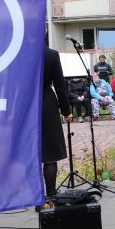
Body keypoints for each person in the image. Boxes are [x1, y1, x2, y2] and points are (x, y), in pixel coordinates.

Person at [42, 37, 73, 209]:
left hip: (25, 104)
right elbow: (60, 85)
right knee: (49, 152)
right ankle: (50, 195)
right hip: (46, 103)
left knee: (30, 153)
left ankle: (34, 196)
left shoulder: (21, 53)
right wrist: (66, 111)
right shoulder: (51, 55)